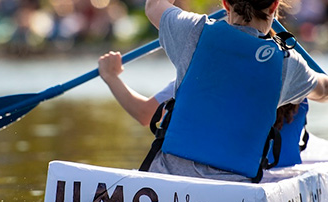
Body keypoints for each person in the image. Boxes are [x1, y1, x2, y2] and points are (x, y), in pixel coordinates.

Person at [141, 0, 328, 182]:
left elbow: (155, 5)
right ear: (275, 5)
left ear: (225, 3)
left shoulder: (193, 32)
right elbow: (324, 89)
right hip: (236, 193)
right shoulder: (287, 64)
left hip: (165, 179)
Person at [98, 51, 309, 167]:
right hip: (268, 173)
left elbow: (145, 114)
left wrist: (110, 77)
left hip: (220, 174)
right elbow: (325, 89)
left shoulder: (202, 71)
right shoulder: (292, 70)